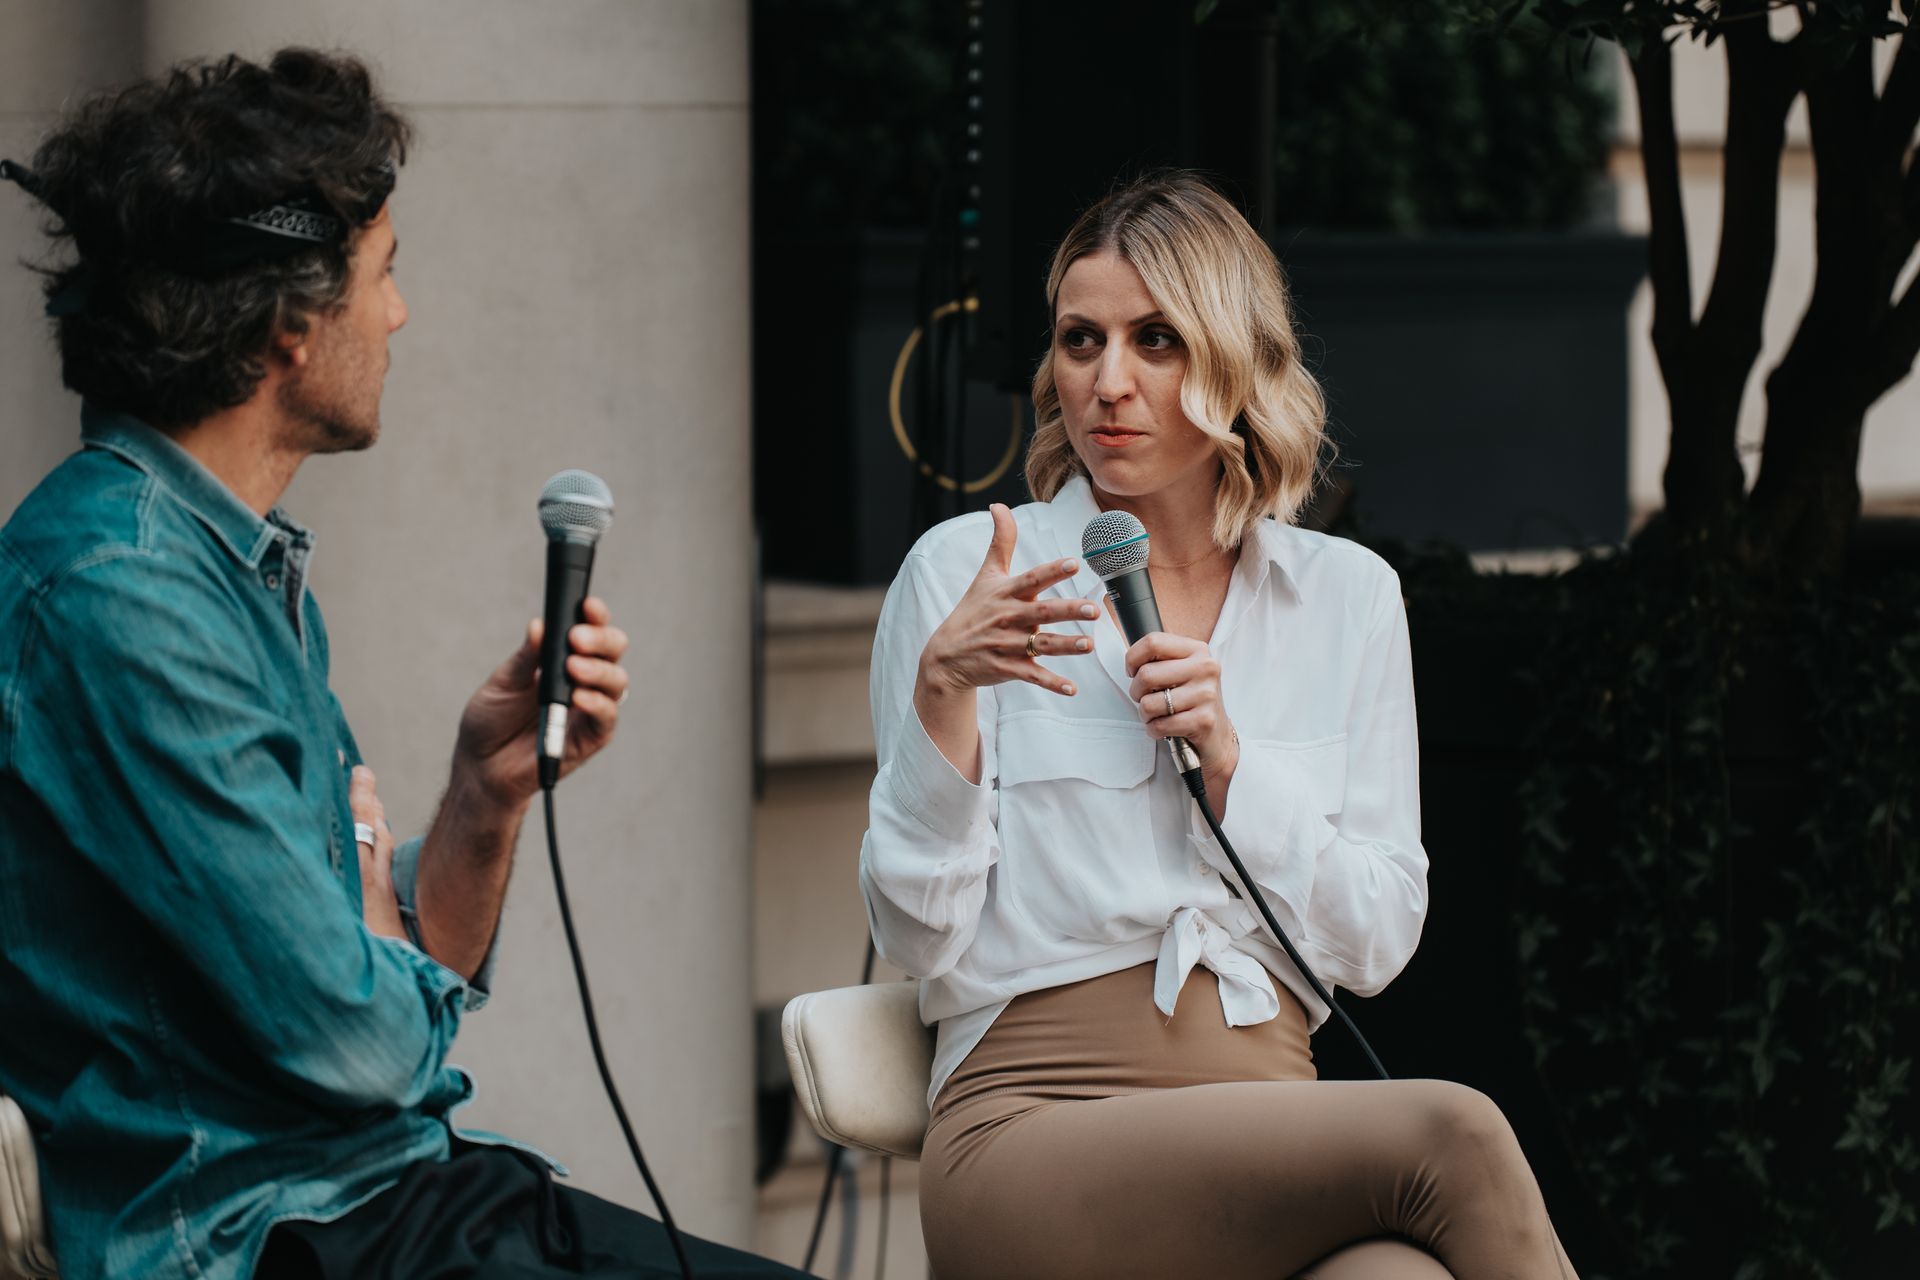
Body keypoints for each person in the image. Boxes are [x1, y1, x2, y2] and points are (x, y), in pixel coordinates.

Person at [0, 50, 803, 1280]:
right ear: (287, 330)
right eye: (383, 274)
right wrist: (373, 919)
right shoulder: (123, 597)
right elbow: (364, 1038)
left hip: (378, 1199)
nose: (399, 312)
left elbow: (363, 980)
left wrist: (484, 798)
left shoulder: (218, 565)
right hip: (263, 1231)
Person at [860, 171, 1579, 1279]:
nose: (1109, 382)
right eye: (1079, 339)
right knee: (1458, 1133)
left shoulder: (1347, 597)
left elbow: (1379, 937)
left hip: (1271, 1122)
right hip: (1033, 1131)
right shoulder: (971, 574)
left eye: (1157, 339)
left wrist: (1236, 766)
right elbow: (916, 937)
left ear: (1235, 361)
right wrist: (941, 698)